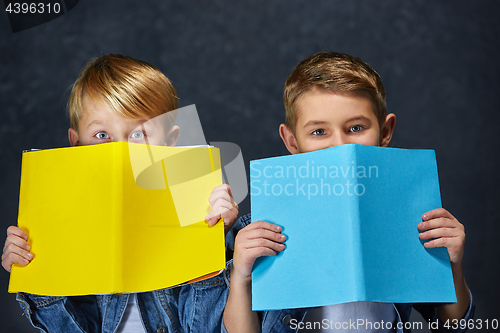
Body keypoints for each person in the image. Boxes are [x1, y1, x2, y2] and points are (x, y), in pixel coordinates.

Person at [223, 52, 474, 333]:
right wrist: (240, 276)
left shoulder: (411, 215)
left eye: (356, 128)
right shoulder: (259, 231)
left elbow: (453, 324)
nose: (340, 146)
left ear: (386, 131)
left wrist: (453, 265)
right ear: (292, 141)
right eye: (319, 132)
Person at [1, 54, 238, 333]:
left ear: (171, 142)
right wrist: (35, 274)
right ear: (77, 145)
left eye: (138, 134)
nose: (121, 150)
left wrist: (211, 244)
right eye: (102, 135)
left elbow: (204, 328)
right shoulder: (63, 225)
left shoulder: (197, 208)